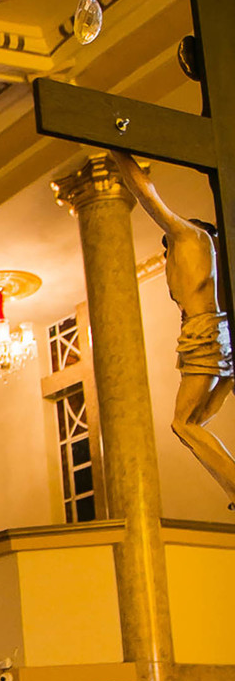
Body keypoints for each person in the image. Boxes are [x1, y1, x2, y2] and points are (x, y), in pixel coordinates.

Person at [110, 151, 235, 507]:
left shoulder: (187, 237)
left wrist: (116, 151)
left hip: (203, 333)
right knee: (195, 421)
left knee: (184, 424)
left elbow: (148, 195)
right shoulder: (218, 258)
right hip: (221, 336)